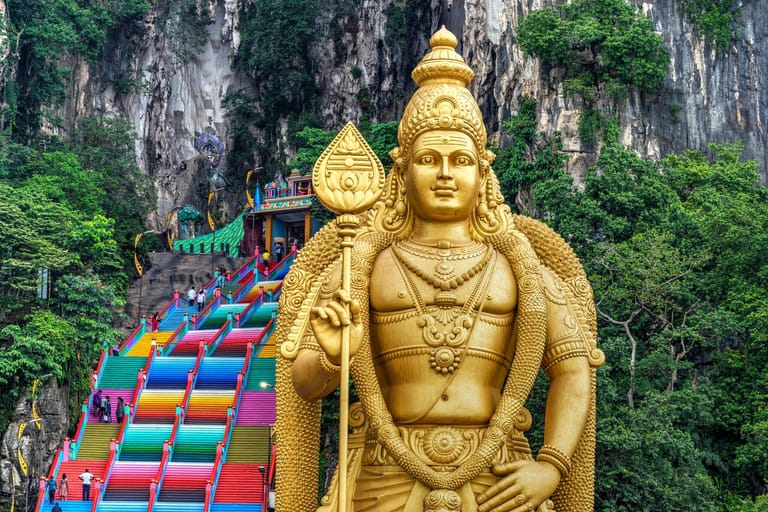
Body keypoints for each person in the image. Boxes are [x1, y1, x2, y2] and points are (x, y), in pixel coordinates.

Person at [275, 27, 603, 512]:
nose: (446, 173)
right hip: (384, 469)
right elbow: (303, 382)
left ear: (482, 172)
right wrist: (329, 358)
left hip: (500, 475)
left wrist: (550, 465)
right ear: (402, 170)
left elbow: (573, 369)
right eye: (429, 159)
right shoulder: (358, 264)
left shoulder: (522, 267)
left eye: (460, 160)